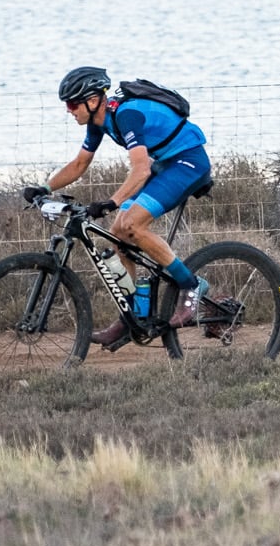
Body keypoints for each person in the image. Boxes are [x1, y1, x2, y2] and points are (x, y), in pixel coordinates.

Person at [29, 66, 212, 345]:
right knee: (118, 234)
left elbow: (140, 170)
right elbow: (80, 164)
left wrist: (112, 202)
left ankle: (192, 285)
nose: (69, 110)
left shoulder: (126, 115)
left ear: (92, 101)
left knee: (132, 225)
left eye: (72, 103)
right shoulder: (98, 122)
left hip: (188, 162)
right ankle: (132, 317)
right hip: (166, 163)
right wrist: (44, 188)